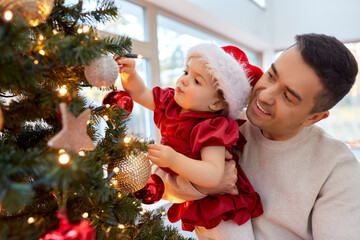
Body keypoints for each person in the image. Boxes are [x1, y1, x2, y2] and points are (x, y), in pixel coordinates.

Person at [152, 33, 360, 240]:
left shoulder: (338, 169)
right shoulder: (220, 125)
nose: (265, 95)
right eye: (271, 75)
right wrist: (201, 185)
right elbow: (157, 182)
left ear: (313, 118)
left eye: (287, 96)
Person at [117, 43, 264, 239]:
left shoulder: (211, 126)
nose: (184, 80)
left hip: (222, 206)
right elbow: (141, 93)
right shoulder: (171, 103)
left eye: (196, 81)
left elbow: (213, 175)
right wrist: (129, 74)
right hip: (193, 196)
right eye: (186, 72)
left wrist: (172, 160)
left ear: (216, 103)